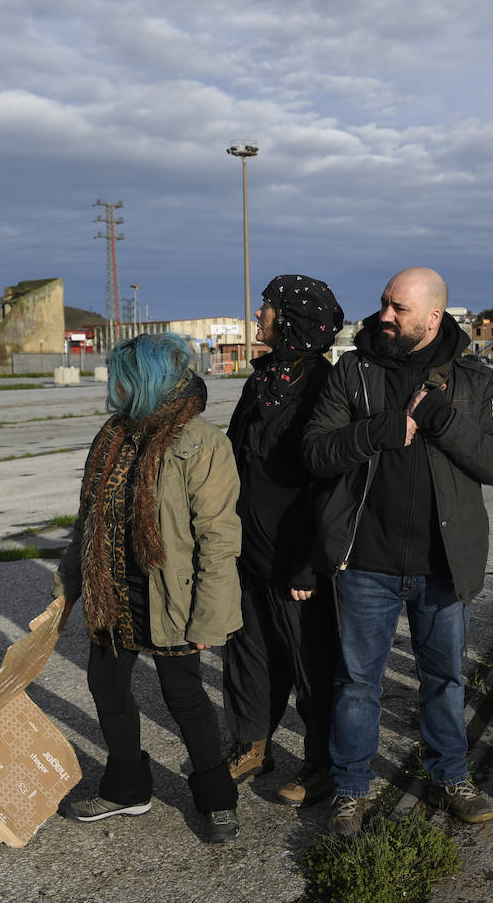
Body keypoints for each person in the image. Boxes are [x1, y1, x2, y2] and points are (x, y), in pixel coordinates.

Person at [302, 267, 493, 836]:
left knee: (445, 679)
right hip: (364, 561)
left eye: (398, 308)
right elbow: (316, 452)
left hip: (444, 563)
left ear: (432, 317)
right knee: (356, 683)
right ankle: (350, 789)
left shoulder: (473, 380)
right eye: (383, 304)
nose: (384, 316)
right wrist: (378, 431)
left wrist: (442, 420)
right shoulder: (353, 371)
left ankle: (450, 775)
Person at [54, 333, 243, 844]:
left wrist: (210, 617)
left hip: (171, 597)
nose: (111, 382)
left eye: (121, 374)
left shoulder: (201, 441)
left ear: (146, 380)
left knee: (183, 695)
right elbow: (87, 519)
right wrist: (70, 581)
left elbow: (219, 536)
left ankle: (217, 800)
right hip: (110, 590)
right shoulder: (113, 434)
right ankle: (126, 789)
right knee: (106, 687)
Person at [222, 275, 344, 809]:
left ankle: (322, 764)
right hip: (249, 547)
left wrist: (307, 565)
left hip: (297, 556)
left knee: (310, 662)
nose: (257, 315)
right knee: (248, 652)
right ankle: (252, 743)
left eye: (266, 308)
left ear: (291, 318)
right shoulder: (264, 379)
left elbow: (329, 485)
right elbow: (235, 452)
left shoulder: (324, 386)